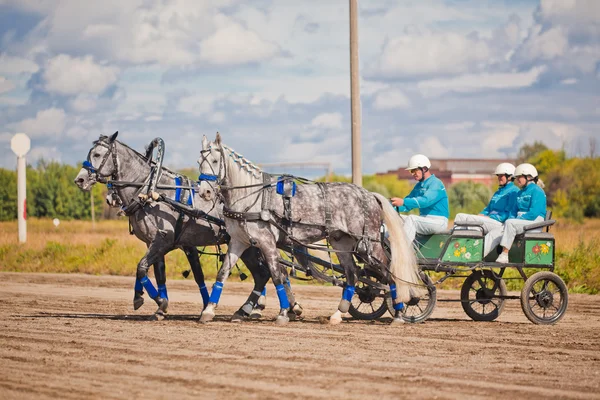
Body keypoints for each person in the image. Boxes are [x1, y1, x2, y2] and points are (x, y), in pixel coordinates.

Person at [454, 162, 520, 256]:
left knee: (472, 220)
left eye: (501, 176)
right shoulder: (498, 192)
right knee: (459, 216)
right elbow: (488, 209)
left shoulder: (514, 192)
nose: (499, 178)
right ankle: (455, 247)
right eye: (498, 176)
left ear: (510, 177)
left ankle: (473, 250)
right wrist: (481, 215)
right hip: (490, 221)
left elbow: (507, 214)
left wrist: (489, 217)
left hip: (501, 224)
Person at [391, 154, 449, 245]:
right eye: (411, 171)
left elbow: (425, 201)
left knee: (412, 219)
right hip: (424, 220)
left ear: (424, 169)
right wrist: (389, 209)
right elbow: (406, 205)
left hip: (439, 222)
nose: (413, 173)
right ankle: (385, 248)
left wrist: (403, 201)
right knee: (392, 217)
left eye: (415, 170)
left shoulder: (436, 183)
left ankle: (401, 252)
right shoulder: (418, 186)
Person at [494, 163, 547, 263]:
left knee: (510, 223)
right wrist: (511, 219)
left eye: (519, 177)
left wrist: (515, 220)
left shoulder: (537, 191)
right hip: (522, 223)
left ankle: (504, 254)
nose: (517, 179)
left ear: (529, 177)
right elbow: (513, 212)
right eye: (516, 177)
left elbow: (533, 213)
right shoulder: (520, 193)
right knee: (505, 224)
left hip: (534, 223)